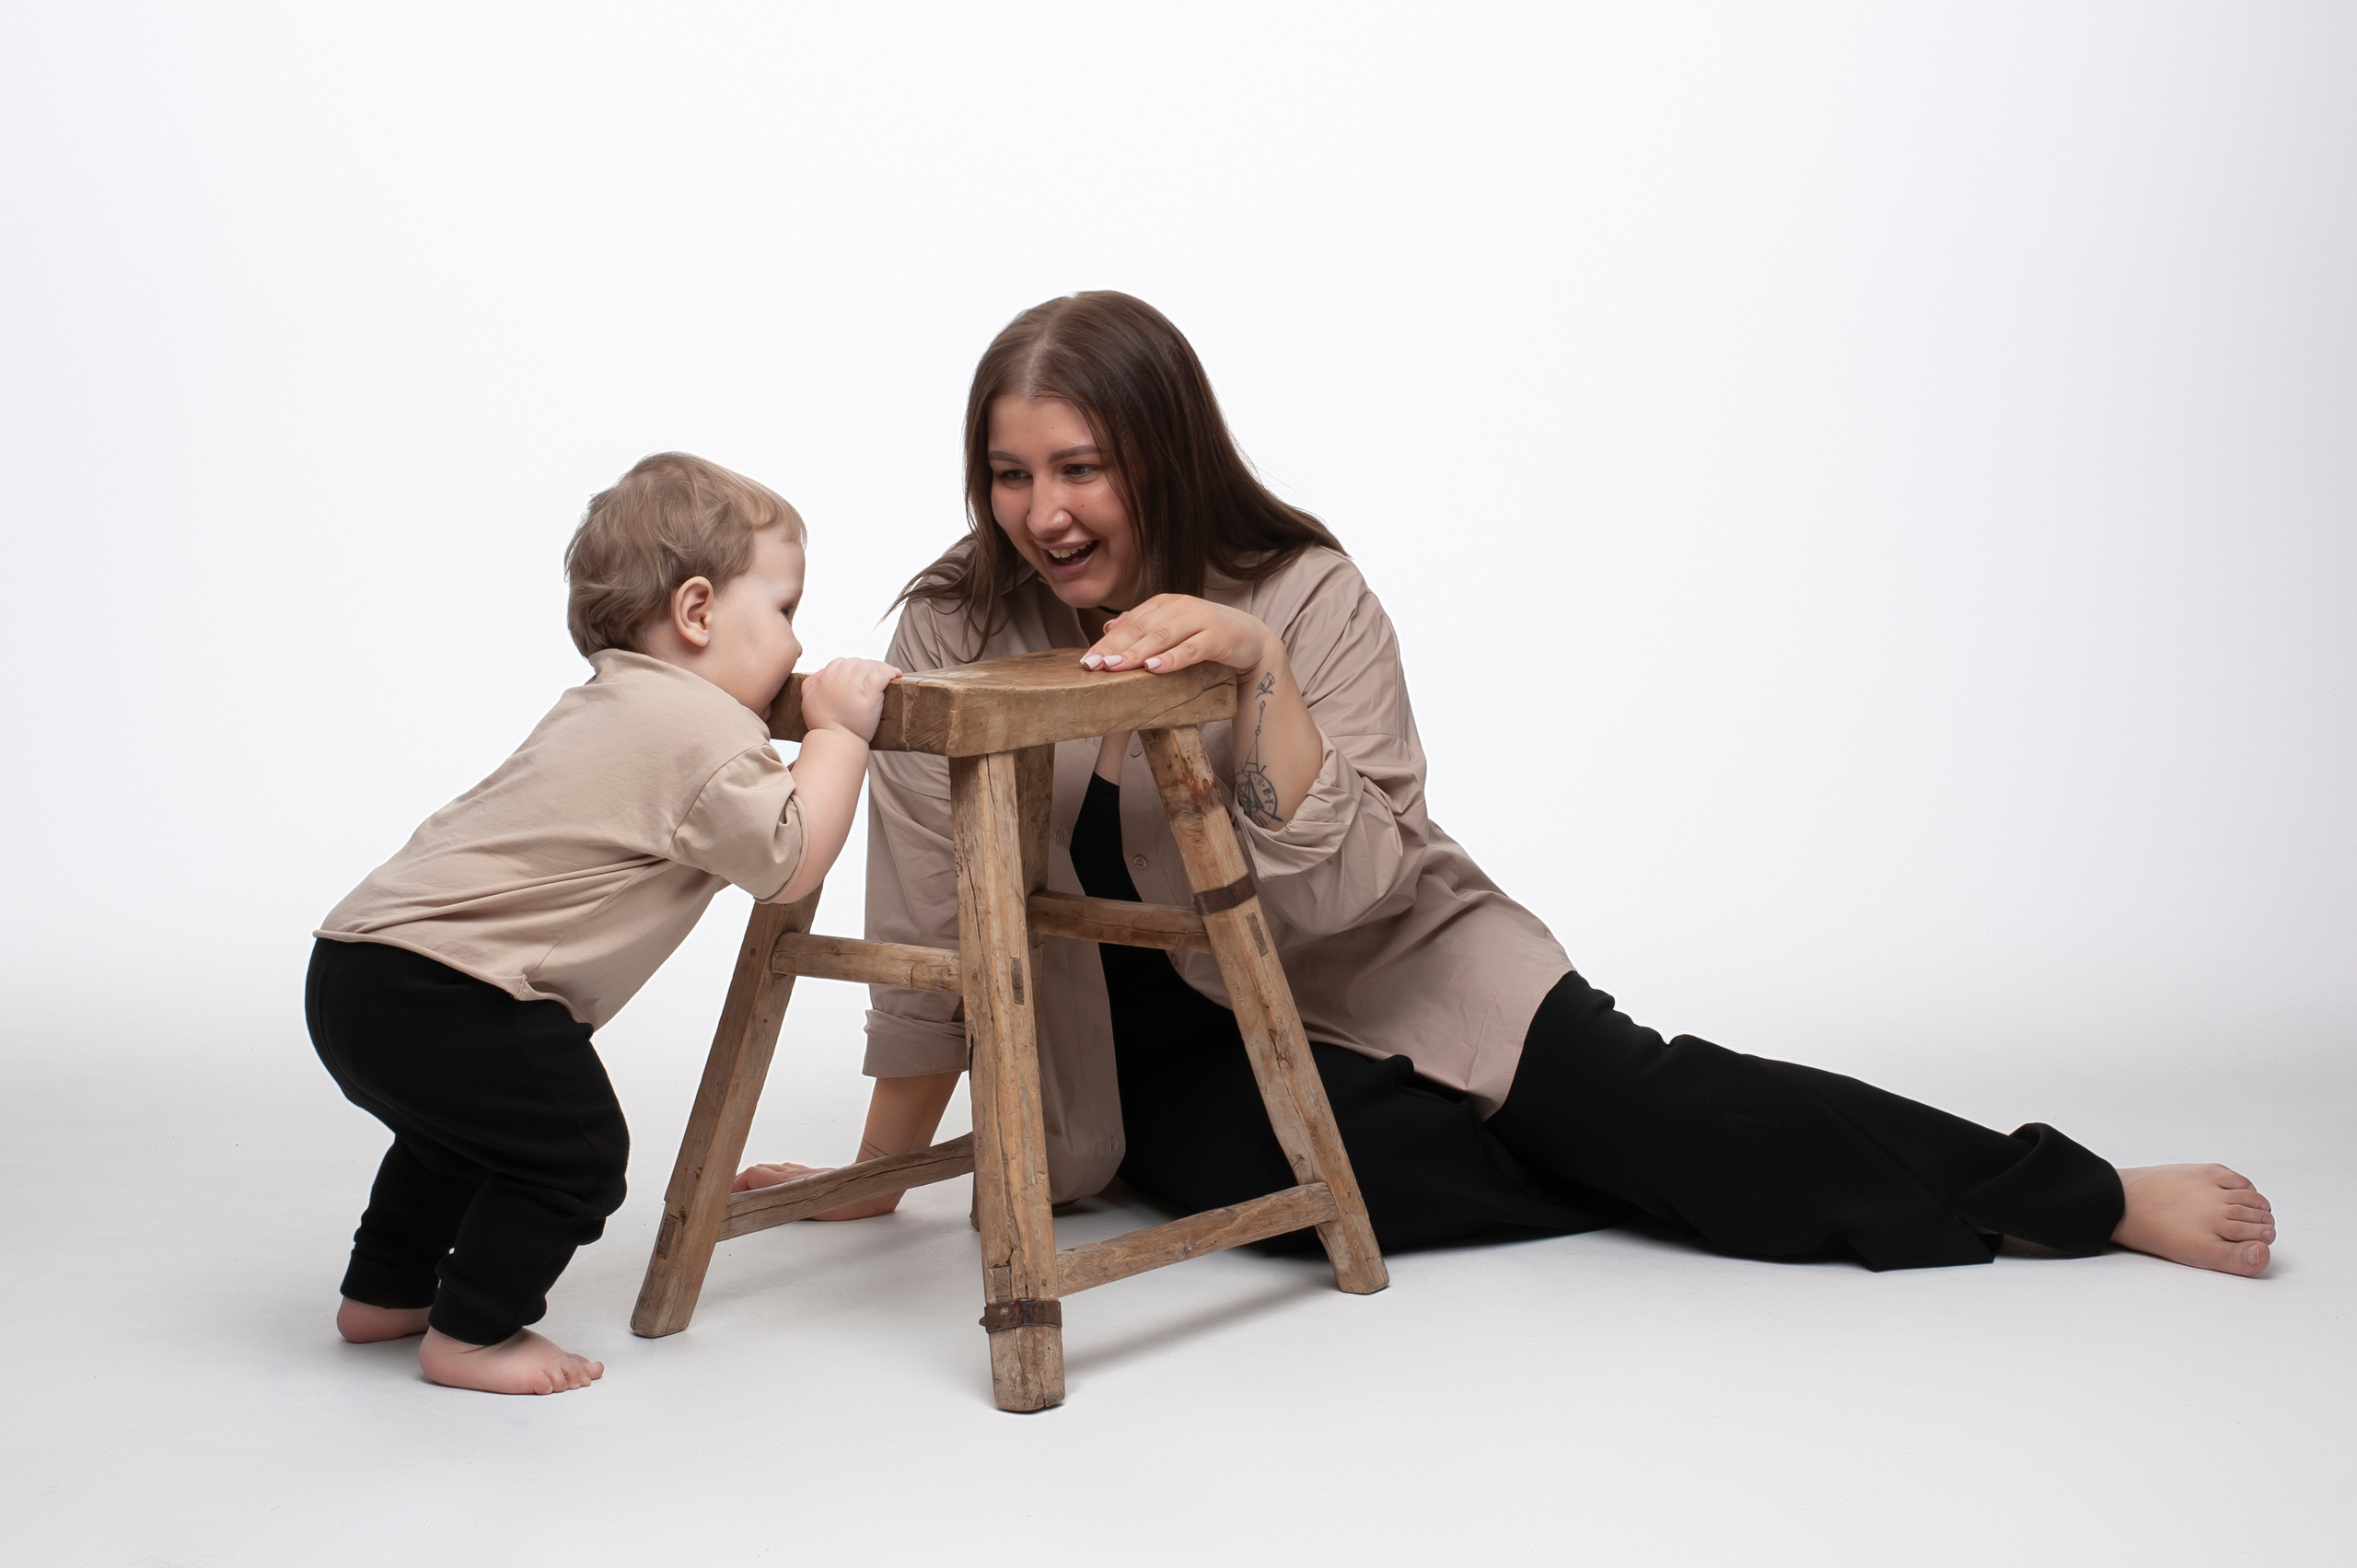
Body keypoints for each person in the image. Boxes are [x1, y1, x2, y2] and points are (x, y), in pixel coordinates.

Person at [737, 292, 2275, 1283]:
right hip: (1156, 1066)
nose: (1044, 511)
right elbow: (930, 913)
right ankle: (1657, 1175)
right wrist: (881, 1173)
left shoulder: (1305, 590)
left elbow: (1355, 884)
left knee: (1652, 1106)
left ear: (1163, 451)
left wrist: (1258, 674)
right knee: (1337, 1192)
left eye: (1080, 466)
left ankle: (2075, 1192)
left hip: (1397, 962)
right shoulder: (951, 626)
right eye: (1012, 474)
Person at [308, 453, 899, 1395]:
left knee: (452, 1141)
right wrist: (838, 732)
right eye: (785, 609)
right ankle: (472, 1333)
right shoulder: (699, 726)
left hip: (360, 968)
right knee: (575, 1157)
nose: (797, 643)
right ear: (698, 611)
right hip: (460, 989)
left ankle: (385, 1292)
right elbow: (789, 859)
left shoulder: (613, 701)